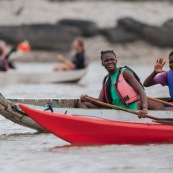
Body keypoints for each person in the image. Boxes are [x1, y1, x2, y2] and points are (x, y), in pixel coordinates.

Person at [78, 50, 170, 118]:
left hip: (131, 109)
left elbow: (141, 91)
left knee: (159, 107)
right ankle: (89, 122)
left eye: (112, 59)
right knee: (81, 102)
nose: (110, 62)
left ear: (116, 61)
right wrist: (88, 98)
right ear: (102, 64)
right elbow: (101, 102)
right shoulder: (106, 79)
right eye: (106, 60)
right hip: (116, 111)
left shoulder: (124, 72)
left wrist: (145, 109)